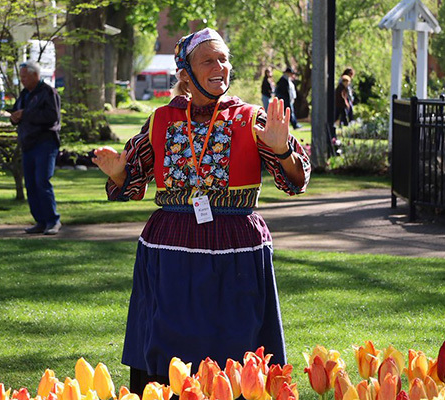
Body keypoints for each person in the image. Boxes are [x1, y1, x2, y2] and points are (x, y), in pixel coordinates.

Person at [91, 27, 311, 394]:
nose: (220, 66)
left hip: (235, 247)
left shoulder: (250, 117)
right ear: (185, 74)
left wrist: (283, 149)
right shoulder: (161, 119)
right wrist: (118, 171)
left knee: (237, 342)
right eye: (208, 59)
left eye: (224, 59)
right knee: (168, 341)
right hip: (171, 247)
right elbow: (131, 179)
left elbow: (295, 180)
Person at [10, 60, 62, 235]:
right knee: (31, 184)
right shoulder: (25, 94)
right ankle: (40, 221)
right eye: (21, 76)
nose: (22, 79)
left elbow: (52, 117)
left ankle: (53, 221)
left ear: (35, 75)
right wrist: (14, 117)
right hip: (28, 144)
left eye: (25, 76)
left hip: (45, 144)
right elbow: (16, 112)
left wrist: (25, 114)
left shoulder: (48, 92)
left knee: (42, 181)